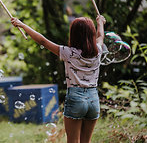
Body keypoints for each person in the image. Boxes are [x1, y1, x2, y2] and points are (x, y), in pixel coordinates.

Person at [11, 15, 106, 143]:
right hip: (93, 99)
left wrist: (22, 25)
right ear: (91, 34)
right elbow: (100, 36)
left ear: (74, 35)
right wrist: (100, 22)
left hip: (76, 98)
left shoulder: (68, 52)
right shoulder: (98, 51)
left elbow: (43, 41)